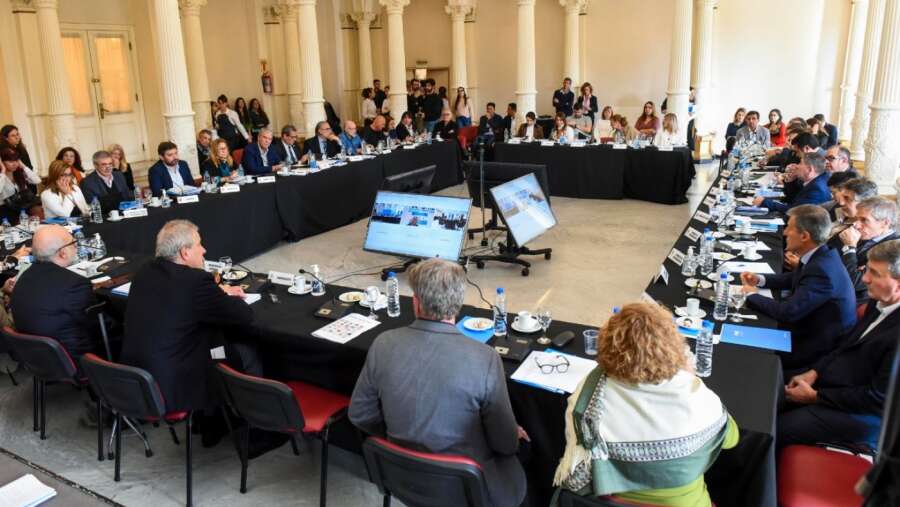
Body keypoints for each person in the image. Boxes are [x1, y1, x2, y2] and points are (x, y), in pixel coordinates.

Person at [349, 258, 528, 507]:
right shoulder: (484, 358)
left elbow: (359, 414)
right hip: (465, 486)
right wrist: (512, 433)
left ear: (416, 302)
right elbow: (505, 444)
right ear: (457, 306)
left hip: (399, 475)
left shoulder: (383, 343)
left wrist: (399, 443)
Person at [554, 303, 737, 506]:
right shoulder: (696, 396)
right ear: (674, 346)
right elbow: (731, 439)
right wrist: (690, 378)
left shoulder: (588, 394)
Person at [119, 220, 256, 414]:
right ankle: (251, 422)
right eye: (199, 244)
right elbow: (243, 315)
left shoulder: (144, 271)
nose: (204, 250)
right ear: (185, 252)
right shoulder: (196, 282)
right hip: (173, 385)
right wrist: (225, 294)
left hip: (135, 377)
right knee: (246, 354)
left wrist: (215, 293)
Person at [778, 240, 900, 450]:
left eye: (875, 274)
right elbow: (846, 344)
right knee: (770, 381)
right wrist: (814, 372)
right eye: (866, 270)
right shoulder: (879, 300)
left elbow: (877, 399)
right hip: (834, 382)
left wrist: (815, 397)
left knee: (777, 426)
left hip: (859, 415)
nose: (865, 279)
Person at [741, 205, 856, 369]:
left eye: (789, 227)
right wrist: (759, 280)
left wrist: (751, 295)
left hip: (810, 348)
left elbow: (788, 312)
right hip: (807, 330)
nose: (785, 232)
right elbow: (794, 277)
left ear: (804, 236)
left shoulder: (822, 271)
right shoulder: (822, 254)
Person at [10, 224, 101, 358]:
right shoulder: (74, 284)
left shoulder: (24, 276)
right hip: (75, 362)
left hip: (35, 359)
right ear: (62, 253)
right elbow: (98, 325)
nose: (76, 246)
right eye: (73, 243)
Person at [836, 197, 899, 304]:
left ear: (885, 223)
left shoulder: (894, 249)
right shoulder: (867, 235)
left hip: (857, 302)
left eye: (864, 220)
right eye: (856, 219)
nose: (856, 225)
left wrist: (850, 248)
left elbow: (853, 281)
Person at [753, 152, 830, 213]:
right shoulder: (814, 180)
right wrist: (791, 182)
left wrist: (765, 202)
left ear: (809, 169)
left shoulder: (817, 189)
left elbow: (794, 211)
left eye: (800, 163)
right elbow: (792, 200)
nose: (796, 166)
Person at [0, 147, 41, 223]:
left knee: (38, 210)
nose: (14, 163)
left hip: (22, 208)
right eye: (10, 160)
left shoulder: (19, 174)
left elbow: (37, 180)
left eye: (16, 160)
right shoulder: (1, 177)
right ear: (2, 162)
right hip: (6, 211)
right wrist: (3, 170)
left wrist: (23, 165)